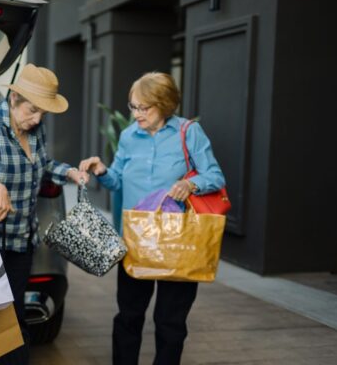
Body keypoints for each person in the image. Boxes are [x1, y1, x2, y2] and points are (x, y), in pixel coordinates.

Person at [79, 72, 226, 365]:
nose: (136, 114)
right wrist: (102, 171)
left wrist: (191, 184)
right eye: (133, 106)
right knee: (128, 316)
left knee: (170, 323)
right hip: (135, 240)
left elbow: (215, 175)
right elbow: (118, 181)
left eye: (144, 108)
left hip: (178, 241)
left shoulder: (188, 132)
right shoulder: (128, 136)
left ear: (165, 104)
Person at [0, 63, 88, 363]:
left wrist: (68, 172)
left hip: (20, 242)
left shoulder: (34, 128)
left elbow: (42, 166)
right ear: (13, 99)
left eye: (43, 113)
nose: (37, 119)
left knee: (12, 322)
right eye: (32, 110)